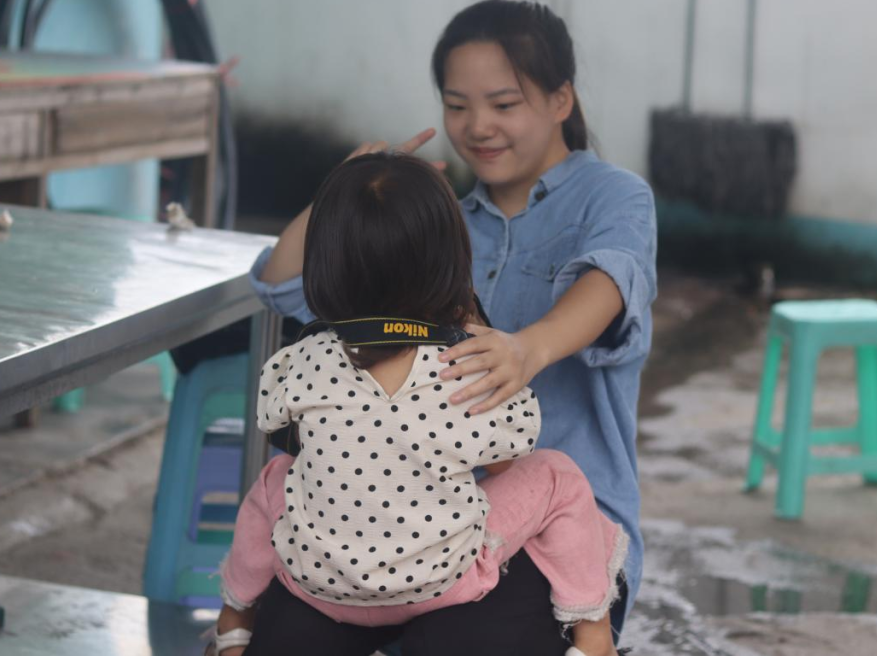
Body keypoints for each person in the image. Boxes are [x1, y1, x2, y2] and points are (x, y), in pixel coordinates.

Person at [251, 0, 658, 648]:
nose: (478, 127)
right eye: (457, 105)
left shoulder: (614, 197)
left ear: (561, 100)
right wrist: (343, 191)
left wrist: (527, 349)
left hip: (557, 530)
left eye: (504, 104)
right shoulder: (439, 223)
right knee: (281, 633)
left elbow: (612, 280)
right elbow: (283, 287)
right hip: (400, 524)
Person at [209, 152, 627, 656]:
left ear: (323, 264)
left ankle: (234, 620)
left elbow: (285, 434)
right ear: (450, 264)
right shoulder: (468, 364)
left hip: (319, 586)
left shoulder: (302, 361)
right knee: (557, 475)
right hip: (442, 582)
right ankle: (593, 633)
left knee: (274, 479)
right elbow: (504, 461)